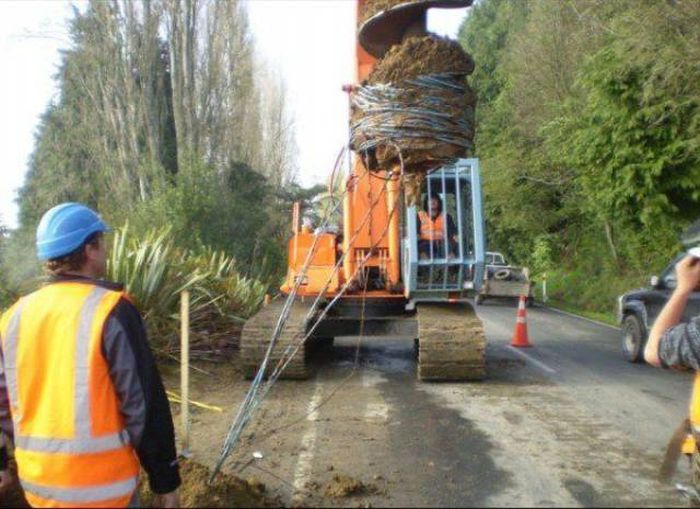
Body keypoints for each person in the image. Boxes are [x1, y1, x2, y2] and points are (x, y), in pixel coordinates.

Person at [0, 203, 181, 508]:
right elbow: (144, 405)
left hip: (40, 490)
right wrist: (165, 480)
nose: (106, 250)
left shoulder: (13, 317)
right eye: (102, 242)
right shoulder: (111, 311)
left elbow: (2, 403)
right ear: (90, 249)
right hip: (105, 491)